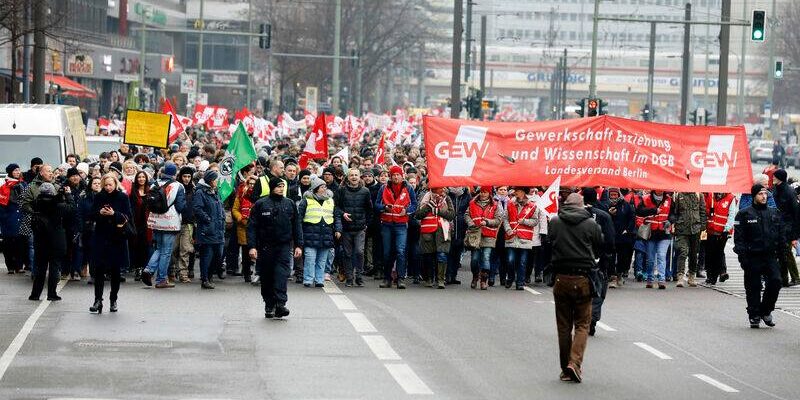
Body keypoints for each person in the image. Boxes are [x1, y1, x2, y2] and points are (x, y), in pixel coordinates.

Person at [548, 193, 603, 383]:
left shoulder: (555, 221)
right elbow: (600, 245)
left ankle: (565, 368)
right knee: (582, 324)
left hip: (561, 277)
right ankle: (575, 363)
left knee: (563, 326)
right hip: (583, 278)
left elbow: (550, 243)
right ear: (582, 205)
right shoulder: (590, 224)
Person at [248, 178, 303, 319]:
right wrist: (252, 247)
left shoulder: (289, 203)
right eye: (278, 186)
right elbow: (252, 227)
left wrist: (298, 245)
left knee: (281, 274)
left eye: (282, 186)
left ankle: (280, 303)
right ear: (272, 187)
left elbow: (297, 225)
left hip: (284, 246)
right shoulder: (260, 204)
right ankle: (269, 304)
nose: (280, 188)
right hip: (265, 247)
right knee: (267, 277)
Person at [733, 184, 783, 328]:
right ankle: (754, 314)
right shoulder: (744, 214)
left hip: (770, 256)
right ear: (754, 196)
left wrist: (782, 255)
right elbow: (739, 239)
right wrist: (743, 257)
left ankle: (766, 310)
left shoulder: (774, 212)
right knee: (753, 287)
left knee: (776, 281)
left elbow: (780, 236)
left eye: (765, 194)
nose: (764, 196)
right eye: (761, 194)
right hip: (752, 256)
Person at [89, 174, 132, 313]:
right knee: (99, 270)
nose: (108, 187)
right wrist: (100, 212)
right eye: (106, 185)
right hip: (101, 237)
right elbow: (91, 215)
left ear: (115, 184)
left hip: (117, 237)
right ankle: (97, 300)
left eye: (110, 185)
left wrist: (114, 214)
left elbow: (128, 217)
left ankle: (113, 299)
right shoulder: (99, 196)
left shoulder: (122, 197)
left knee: (115, 271)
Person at [141, 162, 186, 289]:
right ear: (174, 173)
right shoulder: (178, 186)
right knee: (166, 251)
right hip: (170, 221)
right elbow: (180, 206)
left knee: (159, 248)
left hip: (156, 220)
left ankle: (149, 270)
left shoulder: (154, 183)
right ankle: (161, 279)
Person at [29, 182, 74, 301]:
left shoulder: (36, 203)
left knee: (40, 268)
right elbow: (71, 208)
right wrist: (68, 195)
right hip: (56, 239)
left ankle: (35, 294)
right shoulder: (58, 205)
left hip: (40, 239)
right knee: (55, 266)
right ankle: (52, 294)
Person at [375, 165, 418, 289]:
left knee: (400, 251)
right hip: (387, 224)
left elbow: (414, 204)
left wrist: (407, 210)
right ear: (390, 176)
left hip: (401, 224)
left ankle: (400, 279)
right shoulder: (383, 188)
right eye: (393, 175)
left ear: (402, 175)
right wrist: (384, 207)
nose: (395, 177)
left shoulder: (408, 188)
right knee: (387, 252)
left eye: (397, 174)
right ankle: (387, 278)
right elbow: (377, 204)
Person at [582, 188, 615, 337]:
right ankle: (592, 321)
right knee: (597, 291)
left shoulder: (573, 216)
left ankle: (582, 319)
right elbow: (610, 241)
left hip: (578, 260)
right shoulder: (604, 216)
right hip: (598, 260)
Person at [299, 177, 342, 287]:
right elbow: (299, 218)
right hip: (310, 233)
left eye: (325, 186)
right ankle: (308, 279)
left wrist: (338, 229)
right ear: (316, 188)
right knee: (310, 258)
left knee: (322, 260)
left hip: (326, 234)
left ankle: (319, 280)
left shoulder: (330, 200)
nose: (324, 188)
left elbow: (336, 216)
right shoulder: (306, 200)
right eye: (322, 187)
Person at [334, 168, 373, 287]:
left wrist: (367, 223)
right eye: (352, 175)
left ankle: (359, 277)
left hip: (360, 228)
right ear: (348, 177)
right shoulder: (341, 190)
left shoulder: (365, 191)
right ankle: (349, 277)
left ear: (359, 177)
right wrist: (343, 214)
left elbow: (369, 209)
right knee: (347, 254)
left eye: (356, 175)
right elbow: (336, 207)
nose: (354, 177)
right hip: (346, 229)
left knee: (359, 252)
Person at [415, 186, 455, 288]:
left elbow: (451, 215)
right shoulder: (425, 197)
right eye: (438, 189)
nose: (441, 191)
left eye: (442, 189)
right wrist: (429, 205)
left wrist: (439, 211)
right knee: (428, 256)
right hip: (427, 231)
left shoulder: (447, 198)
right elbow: (418, 214)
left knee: (442, 255)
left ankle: (441, 280)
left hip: (442, 231)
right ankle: (429, 279)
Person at [193, 170, 225, 290]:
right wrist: (208, 219)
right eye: (216, 179)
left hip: (219, 229)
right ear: (211, 180)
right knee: (207, 255)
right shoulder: (200, 192)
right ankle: (205, 278)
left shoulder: (215, 192)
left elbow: (220, 206)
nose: (217, 181)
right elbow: (197, 208)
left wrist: (222, 218)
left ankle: (210, 276)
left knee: (218, 255)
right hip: (207, 229)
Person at [503, 187, 540, 290]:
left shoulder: (532, 206)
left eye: (518, 191)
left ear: (523, 192)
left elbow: (535, 221)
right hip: (512, 236)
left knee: (522, 261)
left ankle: (520, 282)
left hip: (525, 238)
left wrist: (524, 221)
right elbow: (505, 219)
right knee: (510, 260)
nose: (515, 193)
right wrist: (508, 229)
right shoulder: (510, 204)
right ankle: (510, 277)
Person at [465, 186, 502, 290]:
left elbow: (498, 220)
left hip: (489, 235)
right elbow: (467, 215)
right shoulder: (472, 203)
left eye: (485, 192)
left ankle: (483, 280)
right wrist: (471, 223)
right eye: (481, 192)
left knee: (486, 257)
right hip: (475, 235)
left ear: (489, 193)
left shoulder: (495, 205)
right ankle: (475, 276)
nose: (483, 194)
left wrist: (487, 222)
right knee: (474, 259)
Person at [636, 190, 672, 289]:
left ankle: (661, 280)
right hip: (650, 233)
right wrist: (653, 210)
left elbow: (674, 214)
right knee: (650, 259)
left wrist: (671, 220)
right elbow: (639, 211)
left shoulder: (669, 199)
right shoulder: (645, 198)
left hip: (664, 233)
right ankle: (650, 279)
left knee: (661, 256)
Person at [669, 192, 706, 287]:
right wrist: (674, 222)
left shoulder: (699, 195)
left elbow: (702, 211)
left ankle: (691, 276)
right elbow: (673, 212)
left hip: (695, 229)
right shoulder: (678, 195)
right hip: (681, 228)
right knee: (682, 252)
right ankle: (680, 276)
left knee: (693, 254)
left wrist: (702, 226)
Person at [771, 169, 800, 287]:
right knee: (781, 253)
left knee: (786, 252)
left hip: (788, 227)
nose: (772, 178)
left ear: (779, 178)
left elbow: (795, 214)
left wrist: (794, 235)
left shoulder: (789, 192)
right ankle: (784, 279)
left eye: (774, 177)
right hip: (778, 225)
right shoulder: (775, 190)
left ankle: (795, 277)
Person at [704, 192, 736, 285]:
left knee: (718, 252)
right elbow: (705, 209)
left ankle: (715, 275)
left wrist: (726, 229)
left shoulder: (730, 198)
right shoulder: (711, 195)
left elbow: (731, 215)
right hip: (710, 230)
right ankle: (710, 275)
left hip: (722, 231)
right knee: (709, 253)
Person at [1, 164, 27, 274]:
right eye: (15, 170)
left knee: (20, 243)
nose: (17, 172)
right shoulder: (4, 187)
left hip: (21, 217)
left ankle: (19, 265)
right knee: (8, 244)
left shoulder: (23, 184)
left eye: (18, 170)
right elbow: (1, 205)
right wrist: (4, 218)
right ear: (10, 172)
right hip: (9, 218)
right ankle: (10, 266)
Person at [606, 187, 635, 288]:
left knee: (623, 256)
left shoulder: (625, 205)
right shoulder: (606, 204)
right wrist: (609, 213)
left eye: (615, 195)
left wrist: (628, 229)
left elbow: (631, 218)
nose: (613, 197)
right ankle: (612, 276)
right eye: (612, 195)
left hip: (623, 235)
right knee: (611, 257)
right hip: (610, 235)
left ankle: (619, 273)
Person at [171, 166, 196, 283]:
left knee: (185, 249)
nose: (186, 179)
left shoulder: (194, 190)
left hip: (188, 223)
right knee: (173, 249)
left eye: (189, 177)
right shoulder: (176, 188)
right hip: (175, 222)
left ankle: (183, 273)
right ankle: (172, 271)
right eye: (184, 176)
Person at [232, 175, 257, 282]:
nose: (251, 186)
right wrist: (240, 217)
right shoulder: (241, 195)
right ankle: (246, 273)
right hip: (244, 226)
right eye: (250, 183)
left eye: (254, 184)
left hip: (256, 227)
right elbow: (235, 209)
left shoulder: (260, 196)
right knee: (246, 251)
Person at [128, 171, 151, 281]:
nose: (141, 179)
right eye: (139, 177)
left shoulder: (150, 191)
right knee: (136, 246)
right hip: (135, 223)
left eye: (143, 177)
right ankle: (137, 268)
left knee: (146, 246)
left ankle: (145, 268)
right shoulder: (133, 192)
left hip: (148, 223)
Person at [446, 186, 472, 284]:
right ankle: (447, 275)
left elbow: (469, 210)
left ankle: (453, 275)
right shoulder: (447, 194)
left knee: (457, 253)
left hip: (462, 227)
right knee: (448, 252)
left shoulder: (466, 195)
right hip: (449, 226)